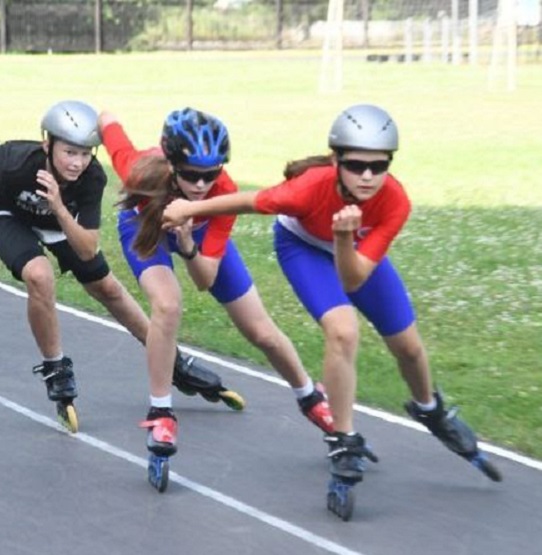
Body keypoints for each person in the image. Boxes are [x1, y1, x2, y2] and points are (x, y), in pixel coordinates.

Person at [162, 104, 501, 515]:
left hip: (354, 252)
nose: (368, 176)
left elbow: (355, 278)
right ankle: (343, 439)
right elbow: (248, 201)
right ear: (337, 160)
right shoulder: (307, 188)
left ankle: (430, 409)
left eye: (379, 166)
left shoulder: (396, 202)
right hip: (302, 247)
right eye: (356, 165)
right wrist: (189, 209)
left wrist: (344, 238)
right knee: (343, 331)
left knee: (409, 348)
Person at [0, 86, 216, 435]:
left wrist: (59, 206)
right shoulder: (13, 161)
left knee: (108, 288)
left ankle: (171, 359)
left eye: (85, 153)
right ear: (47, 145)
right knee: (40, 275)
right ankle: (55, 367)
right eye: (69, 152)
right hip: (5, 215)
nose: (77, 162)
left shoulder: (91, 178)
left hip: (59, 223)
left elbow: (88, 248)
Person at [99, 107, 335, 461]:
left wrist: (190, 245)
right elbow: (107, 122)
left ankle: (310, 397)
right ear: (172, 164)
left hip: (199, 234)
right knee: (167, 304)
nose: (200, 185)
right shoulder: (139, 171)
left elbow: (204, 280)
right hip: (145, 227)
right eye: (192, 175)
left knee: (261, 331)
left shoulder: (224, 193)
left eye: (210, 174)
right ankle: (161, 413)